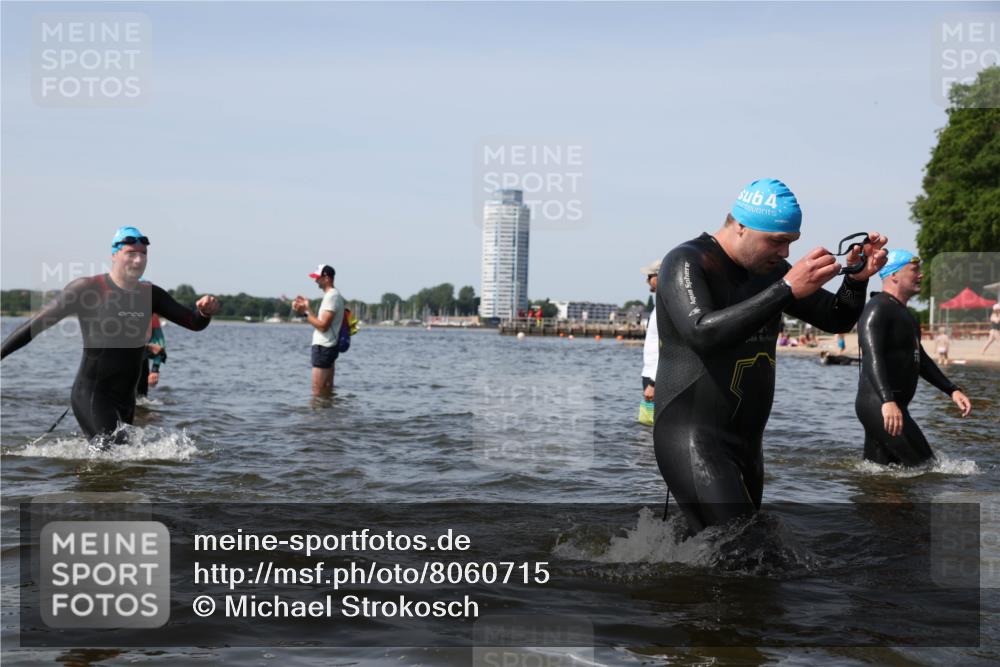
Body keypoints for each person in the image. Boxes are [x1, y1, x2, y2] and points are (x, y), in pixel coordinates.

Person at [653, 178, 888, 535]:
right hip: (693, 437)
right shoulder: (687, 261)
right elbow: (702, 332)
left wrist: (856, 281)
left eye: (791, 243)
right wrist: (786, 288)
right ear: (741, 226)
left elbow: (836, 318)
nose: (785, 254)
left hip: (747, 444)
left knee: (727, 555)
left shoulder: (772, 273)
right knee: (745, 550)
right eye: (777, 241)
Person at [0, 227, 220, 447]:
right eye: (131, 253)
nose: (138, 259)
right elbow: (34, 326)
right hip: (93, 395)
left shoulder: (151, 294)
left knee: (123, 463)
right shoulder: (87, 289)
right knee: (117, 453)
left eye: (143, 254)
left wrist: (204, 312)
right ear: (114, 255)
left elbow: (193, 323)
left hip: (127, 400)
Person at [855, 250, 972, 466]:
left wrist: (951, 389)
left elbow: (921, 360)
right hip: (881, 406)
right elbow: (873, 357)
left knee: (880, 473)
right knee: (927, 467)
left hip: (892, 406)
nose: (921, 275)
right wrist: (887, 400)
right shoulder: (877, 308)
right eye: (915, 270)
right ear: (894, 275)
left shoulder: (905, 314)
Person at [292, 264, 345, 396]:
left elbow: (323, 326)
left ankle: (317, 415)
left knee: (317, 390)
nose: (315, 280)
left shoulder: (331, 296)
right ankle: (327, 415)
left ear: (326, 278)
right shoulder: (333, 295)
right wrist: (307, 309)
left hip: (323, 347)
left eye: (318, 277)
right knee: (326, 390)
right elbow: (322, 323)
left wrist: (304, 313)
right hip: (328, 346)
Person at [641, 260, 660, 402]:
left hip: (657, 377)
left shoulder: (665, 305)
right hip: (651, 373)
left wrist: (653, 383)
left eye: (649, 276)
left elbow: (666, 345)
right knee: (649, 423)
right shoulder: (658, 304)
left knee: (656, 422)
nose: (646, 281)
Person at [136, 313, 167, 399]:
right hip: (116, 361)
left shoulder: (152, 314)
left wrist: (155, 370)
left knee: (141, 399)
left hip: (141, 361)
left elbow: (160, 343)